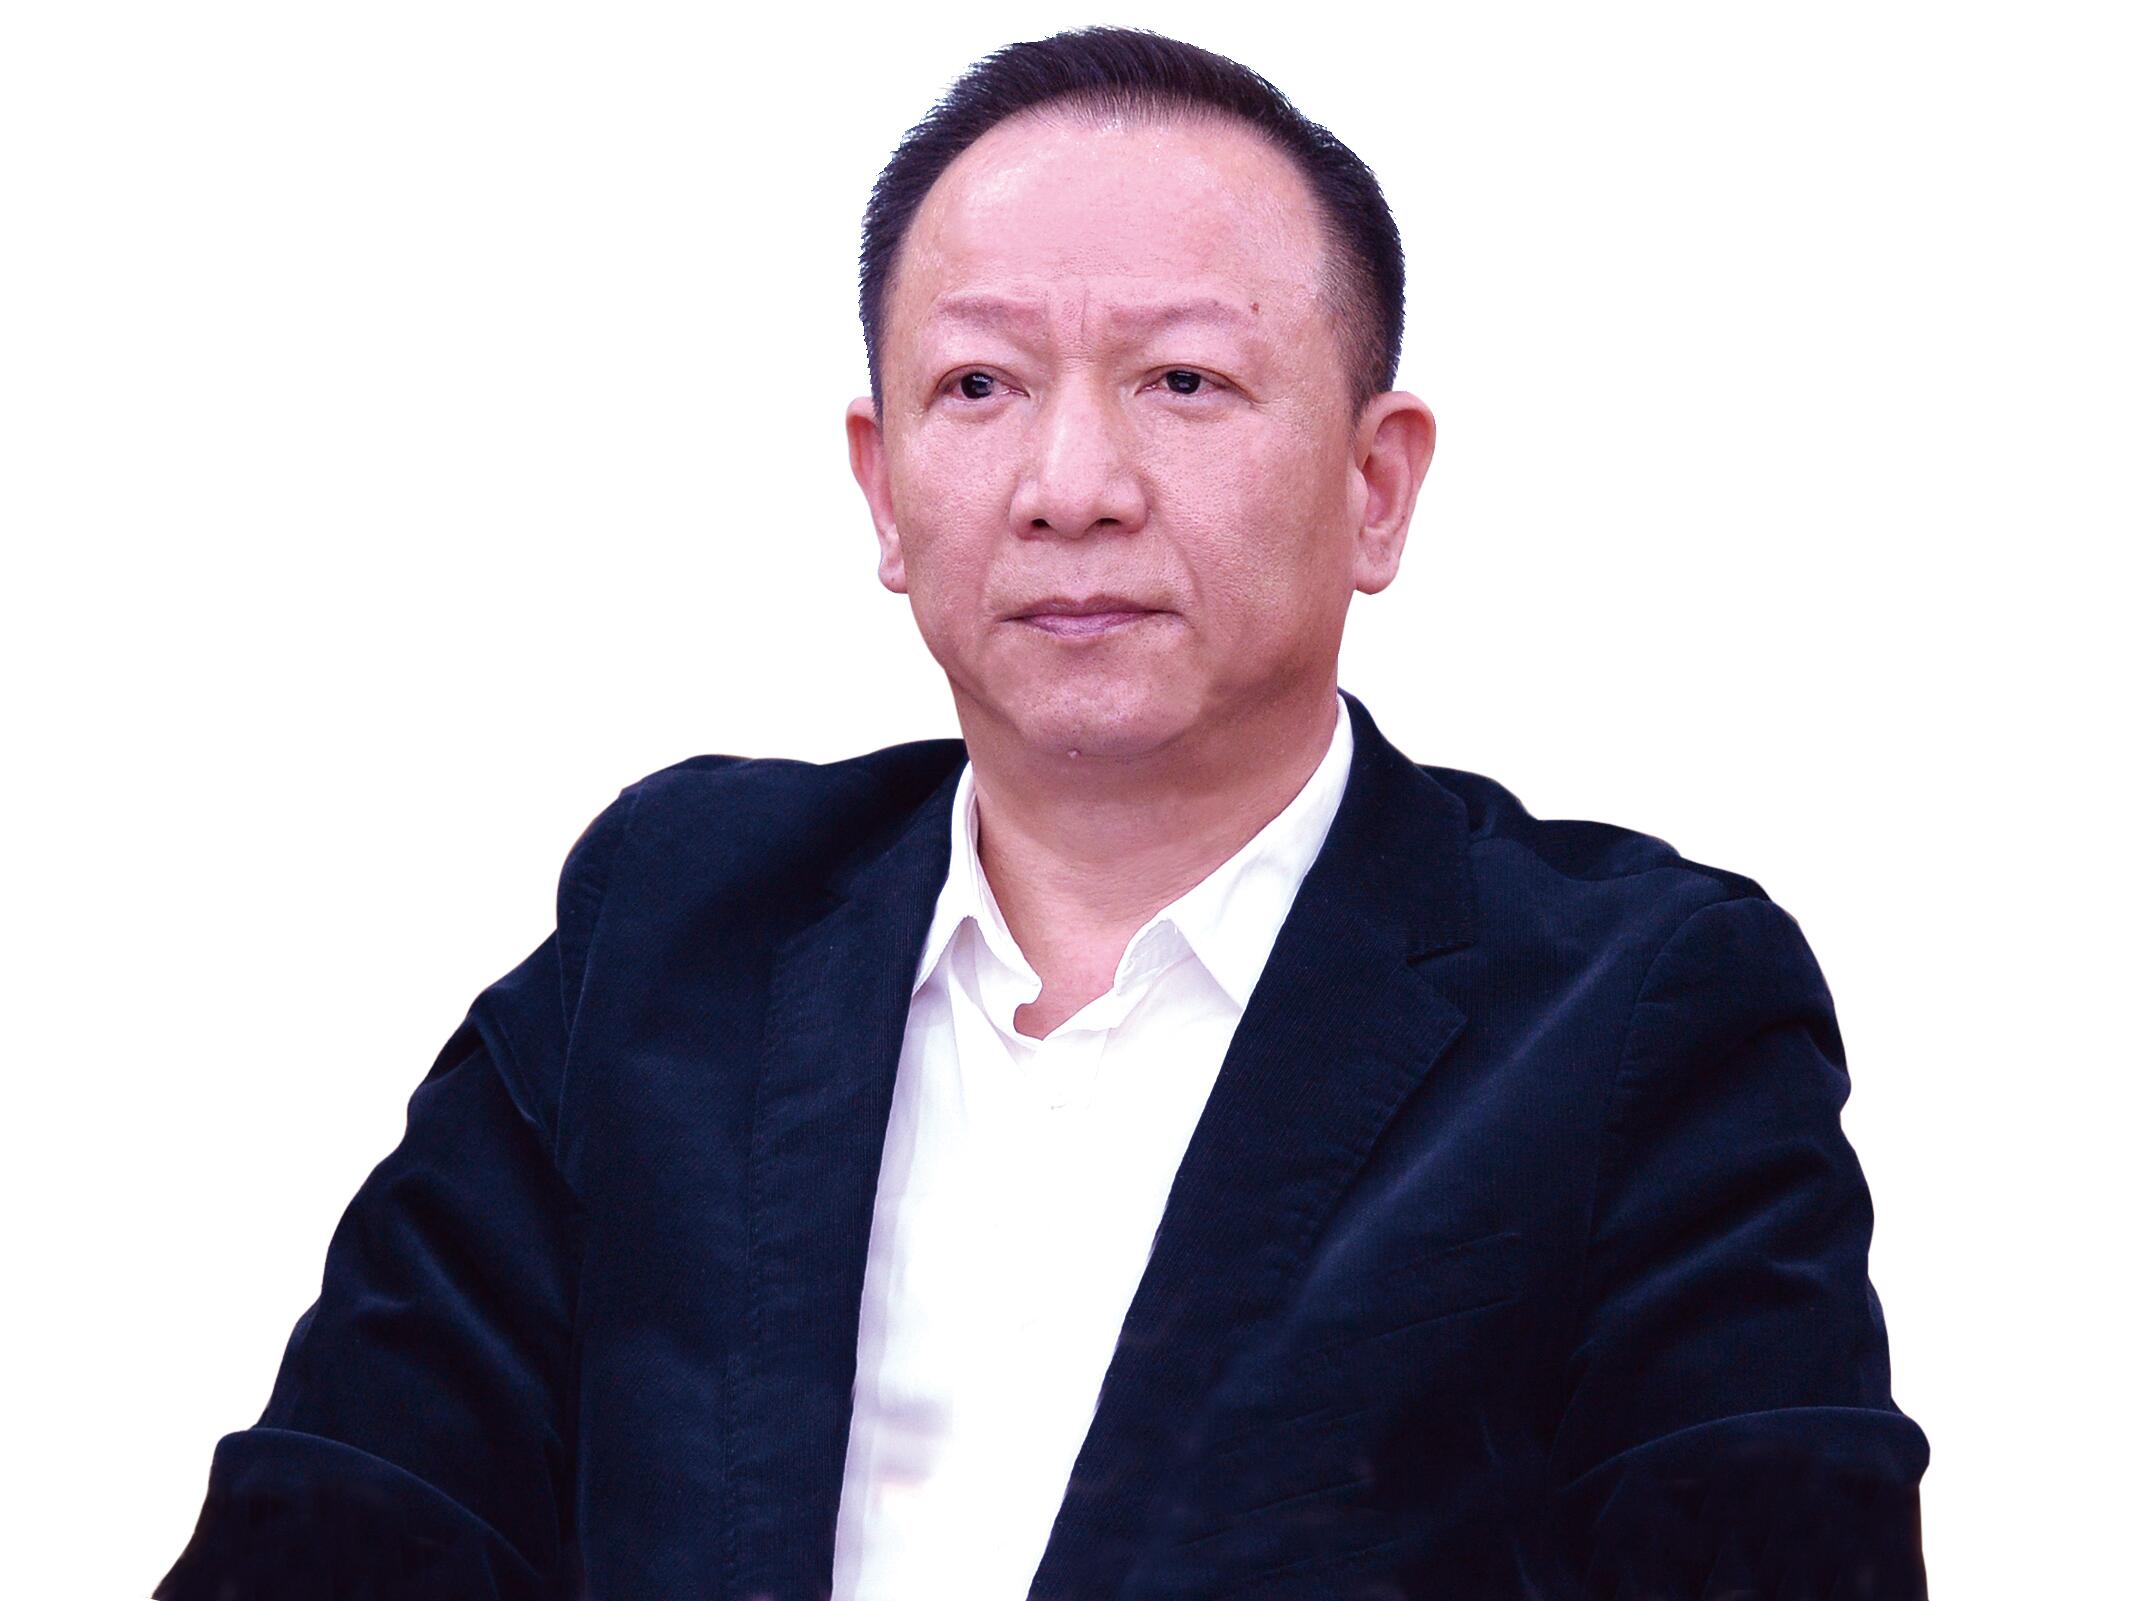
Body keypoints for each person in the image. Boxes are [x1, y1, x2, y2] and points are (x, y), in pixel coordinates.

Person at [156, 26, 1929, 1601]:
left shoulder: (1638, 1015)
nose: (1070, 488)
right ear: (882, 489)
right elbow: (333, 1528)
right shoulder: (672, 932)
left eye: (1183, 382)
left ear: (1375, 484)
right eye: (979, 387)